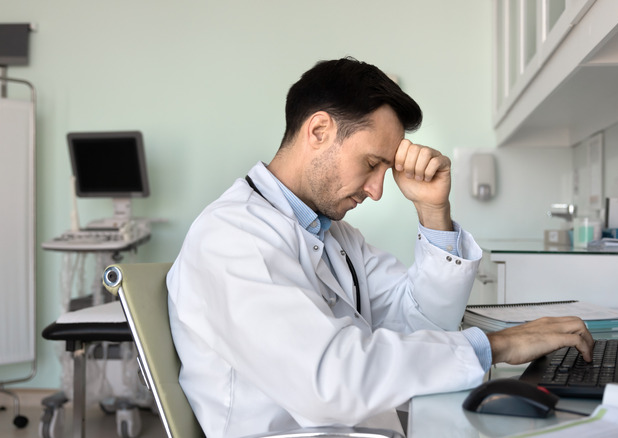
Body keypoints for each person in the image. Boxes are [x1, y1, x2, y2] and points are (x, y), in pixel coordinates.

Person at [167, 57, 594, 437]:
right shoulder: (232, 238)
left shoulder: (331, 233)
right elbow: (331, 382)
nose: (376, 190)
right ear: (319, 130)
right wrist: (496, 345)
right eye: (372, 164)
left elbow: (423, 322)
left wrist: (432, 211)